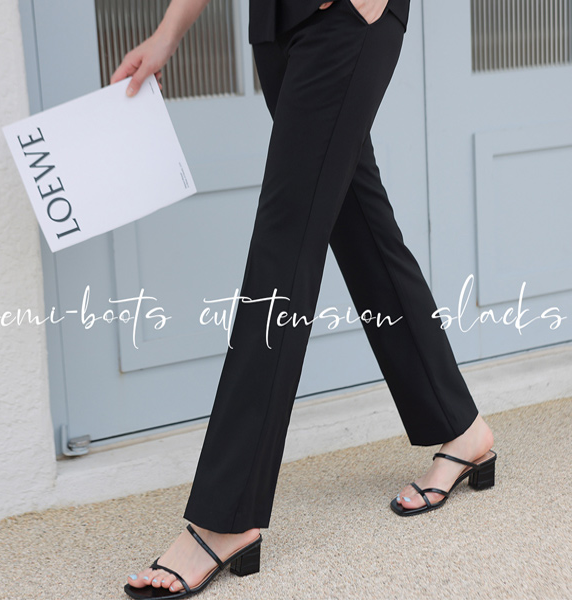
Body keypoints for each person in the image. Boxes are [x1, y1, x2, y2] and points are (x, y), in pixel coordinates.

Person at [115, 0, 497, 598]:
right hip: (275, 24)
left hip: (345, 17)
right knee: (358, 221)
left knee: (283, 247)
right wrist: (168, 32)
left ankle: (226, 515)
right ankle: (462, 427)